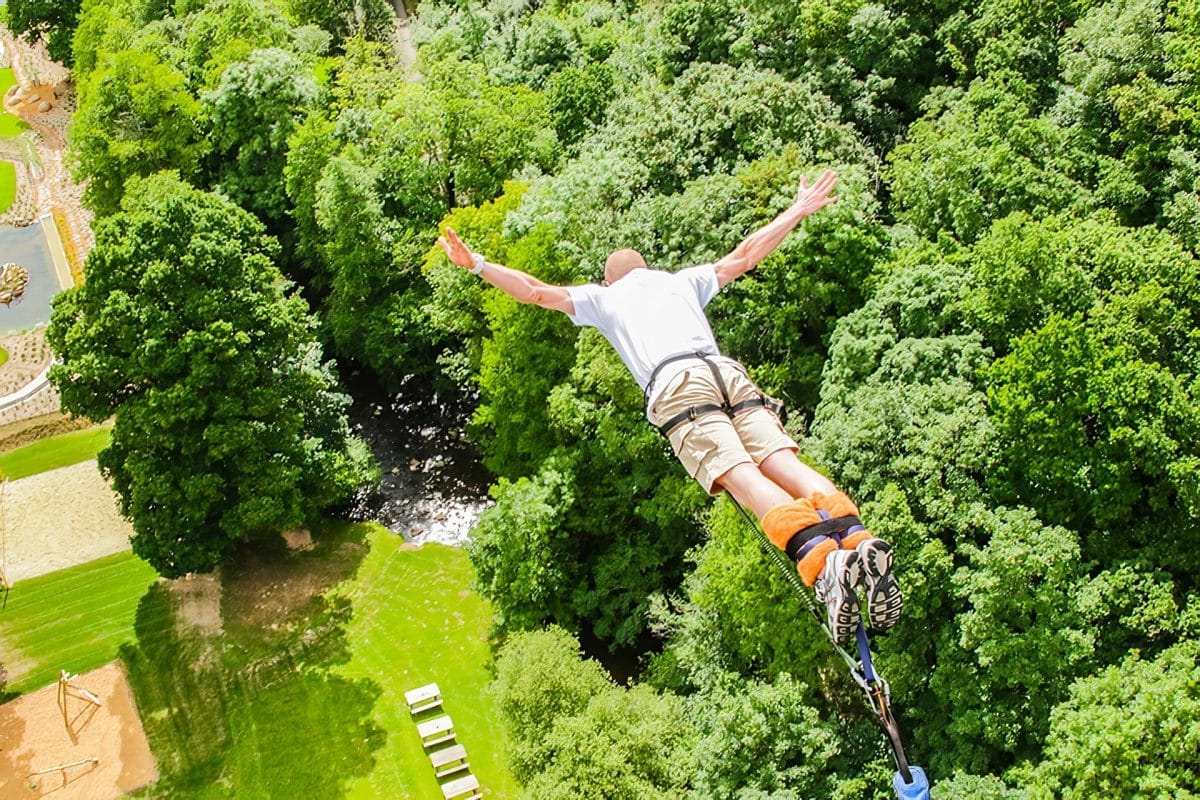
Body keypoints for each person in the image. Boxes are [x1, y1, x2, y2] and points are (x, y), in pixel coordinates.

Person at [436, 169, 901, 643]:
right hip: (727, 372)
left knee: (744, 478)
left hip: (678, 386)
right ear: (646, 267)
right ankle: (859, 541)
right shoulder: (682, 281)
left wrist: (477, 264)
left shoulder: (605, 297)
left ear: (608, 277)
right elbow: (745, 255)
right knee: (783, 463)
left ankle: (824, 562)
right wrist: (796, 210)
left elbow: (534, 290)